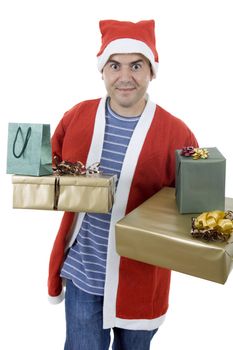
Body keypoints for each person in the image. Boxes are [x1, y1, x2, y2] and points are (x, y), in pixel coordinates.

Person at [48, 19, 198, 350]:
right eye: (115, 65)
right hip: (83, 273)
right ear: (103, 70)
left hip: (142, 277)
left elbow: (192, 203)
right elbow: (50, 170)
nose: (125, 76)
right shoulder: (77, 117)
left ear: (151, 72)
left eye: (136, 65)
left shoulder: (177, 134)